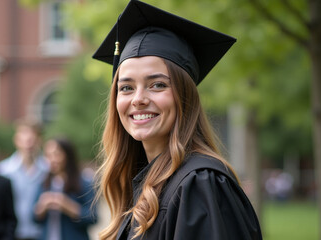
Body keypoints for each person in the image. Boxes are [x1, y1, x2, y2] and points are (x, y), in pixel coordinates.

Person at [92, 1, 262, 239]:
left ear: (184, 96)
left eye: (158, 85)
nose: (138, 99)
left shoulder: (200, 185)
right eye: (127, 87)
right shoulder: (148, 183)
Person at [33, 137, 97, 240]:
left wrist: (67, 205)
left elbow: (93, 218)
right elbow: (34, 218)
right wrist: (42, 206)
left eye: (56, 154)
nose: (52, 159)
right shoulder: (43, 183)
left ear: (67, 155)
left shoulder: (84, 182)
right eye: (48, 155)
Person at [0, 117, 49, 240]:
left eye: (32, 139)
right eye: (24, 139)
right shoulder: (3, 171)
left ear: (39, 141)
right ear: (16, 140)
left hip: (42, 234)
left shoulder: (48, 170)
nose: (29, 143)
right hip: (12, 234)